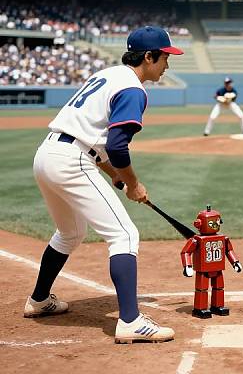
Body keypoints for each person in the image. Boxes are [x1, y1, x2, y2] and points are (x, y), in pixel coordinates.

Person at [25, 26, 184, 344]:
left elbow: (93, 137)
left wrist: (112, 173)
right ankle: (130, 321)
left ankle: (39, 300)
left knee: (70, 233)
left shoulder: (110, 73)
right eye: (165, 57)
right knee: (124, 234)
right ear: (148, 57)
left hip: (48, 154)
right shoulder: (134, 89)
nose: (168, 64)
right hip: (71, 160)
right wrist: (133, 184)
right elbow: (116, 145)